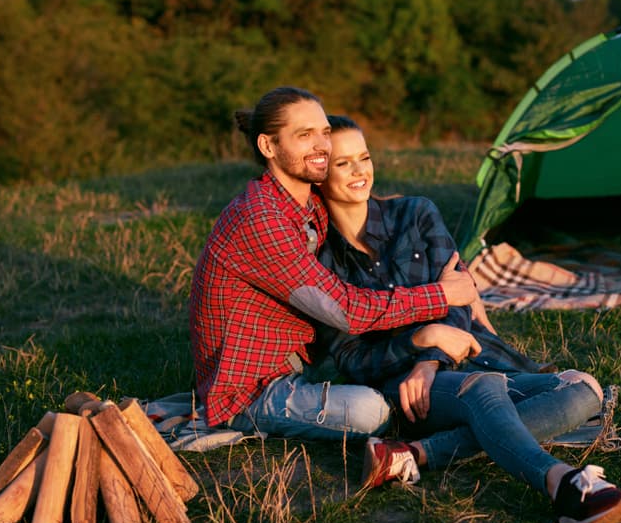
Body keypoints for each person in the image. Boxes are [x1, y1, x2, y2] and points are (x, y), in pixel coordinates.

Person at [312, 115, 621, 523]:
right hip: (404, 387)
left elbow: (461, 295)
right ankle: (564, 485)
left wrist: (431, 357)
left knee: (584, 389)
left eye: (365, 157)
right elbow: (352, 358)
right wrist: (420, 341)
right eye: (343, 163)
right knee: (484, 388)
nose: (360, 171)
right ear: (320, 176)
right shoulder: (322, 261)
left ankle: (412, 454)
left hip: (464, 354)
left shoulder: (416, 213)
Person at [189, 87, 480, 441]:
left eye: (324, 132)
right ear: (268, 147)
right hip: (251, 388)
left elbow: (358, 201)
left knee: (389, 384)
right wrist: (443, 294)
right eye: (304, 135)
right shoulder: (261, 219)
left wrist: (402, 212)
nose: (322, 145)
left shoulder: (305, 202)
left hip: (305, 364)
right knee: (371, 410)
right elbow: (347, 311)